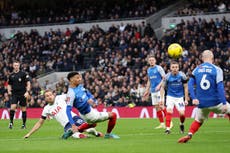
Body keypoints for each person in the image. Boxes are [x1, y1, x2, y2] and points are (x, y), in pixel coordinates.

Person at [178, 50, 230, 143]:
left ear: (202, 58)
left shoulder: (196, 69)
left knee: (198, 120)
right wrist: (224, 103)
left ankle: (190, 134)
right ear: (212, 58)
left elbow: (190, 84)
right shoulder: (217, 69)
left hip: (201, 104)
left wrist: (194, 98)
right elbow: (220, 87)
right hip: (216, 102)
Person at [24, 90, 103, 139]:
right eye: (47, 96)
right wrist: (29, 134)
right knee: (74, 135)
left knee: (88, 129)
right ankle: (83, 136)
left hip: (74, 118)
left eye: (50, 95)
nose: (49, 97)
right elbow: (39, 123)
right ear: (45, 98)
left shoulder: (60, 97)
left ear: (53, 95)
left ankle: (96, 133)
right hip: (66, 125)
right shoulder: (46, 109)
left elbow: (72, 96)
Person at [63, 72, 119, 139]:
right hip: (88, 114)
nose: (80, 79)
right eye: (77, 78)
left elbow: (88, 94)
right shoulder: (71, 93)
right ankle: (108, 135)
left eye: (80, 77)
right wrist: (73, 124)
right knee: (113, 115)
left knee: (93, 124)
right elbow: (68, 110)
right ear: (71, 79)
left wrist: (92, 101)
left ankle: (72, 132)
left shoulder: (80, 86)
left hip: (88, 112)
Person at [162, 61, 188, 134]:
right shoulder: (167, 76)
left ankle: (181, 124)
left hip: (180, 97)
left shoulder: (182, 76)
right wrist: (162, 99)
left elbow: (186, 87)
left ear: (178, 68)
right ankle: (167, 129)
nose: (174, 69)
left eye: (176, 67)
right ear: (170, 68)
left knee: (182, 114)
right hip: (170, 96)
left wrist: (186, 99)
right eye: (173, 67)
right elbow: (162, 88)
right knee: (169, 111)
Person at [143, 55, 167, 129]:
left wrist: (159, 85)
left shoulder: (159, 68)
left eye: (152, 60)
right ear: (148, 61)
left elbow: (164, 77)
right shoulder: (149, 70)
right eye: (150, 60)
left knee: (161, 105)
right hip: (153, 90)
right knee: (157, 107)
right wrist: (147, 90)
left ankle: (169, 122)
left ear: (155, 61)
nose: (151, 61)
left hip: (160, 90)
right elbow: (149, 80)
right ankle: (162, 124)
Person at [7, 60, 31, 129]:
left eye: (17, 65)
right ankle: (11, 122)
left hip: (23, 94)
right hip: (14, 93)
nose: (16, 66)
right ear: (13, 66)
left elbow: (28, 83)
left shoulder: (23, 74)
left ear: (19, 66)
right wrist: (9, 90)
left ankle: (24, 124)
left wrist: (27, 92)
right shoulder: (11, 75)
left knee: (23, 109)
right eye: (15, 65)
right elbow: (9, 84)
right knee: (13, 107)